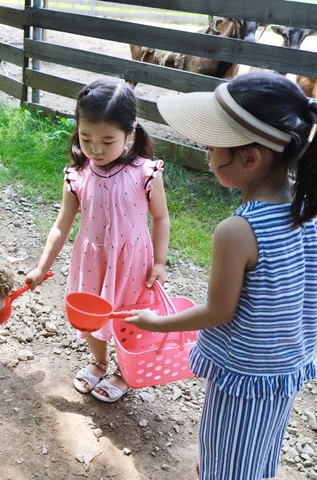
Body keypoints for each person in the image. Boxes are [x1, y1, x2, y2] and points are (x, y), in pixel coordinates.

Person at [126, 72, 317, 479]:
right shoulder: (308, 209)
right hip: (284, 370)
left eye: (213, 147)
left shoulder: (237, 231)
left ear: (250, 159)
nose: (208, 154)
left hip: (244, 377)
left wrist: (156, 323)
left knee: (226, 466)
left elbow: (218, 312)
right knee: (260, 447)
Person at [25, 78, 170, 402]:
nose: (96, 149)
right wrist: (40, 268)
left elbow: (160, 217)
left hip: (132, 263)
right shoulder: (76, 176)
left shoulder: (145, 172)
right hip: (91, 260)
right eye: (86, 138)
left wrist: (159, 262)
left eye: (108, 140)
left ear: (130, 133)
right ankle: (99, 361)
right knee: (91, 316)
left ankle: (124, 370)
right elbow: (61, 227)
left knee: (127, 318)